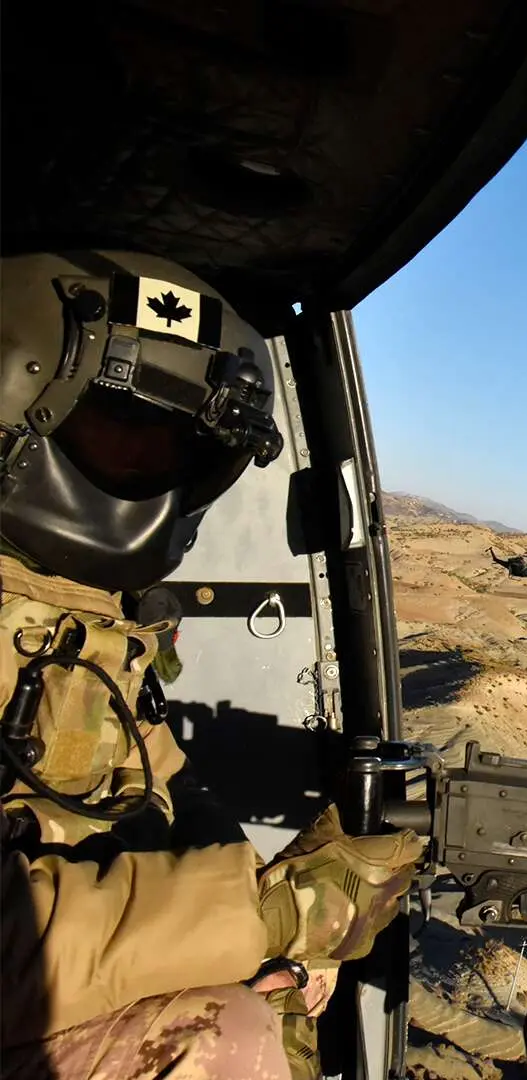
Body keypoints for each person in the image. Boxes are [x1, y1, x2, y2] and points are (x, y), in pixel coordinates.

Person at [0, 252, 425, 1079]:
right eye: (122, 417)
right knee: (221, 1037)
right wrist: (264, 916)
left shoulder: (91, 633)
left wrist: (289, 919)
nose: (151, 464)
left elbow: (163, 799)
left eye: (189, 440)